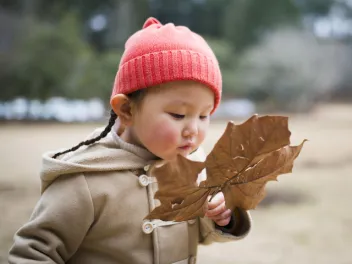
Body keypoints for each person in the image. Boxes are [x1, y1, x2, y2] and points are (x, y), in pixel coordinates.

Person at [8, 17, 251, 264]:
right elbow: (33, 253)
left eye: (203, 115)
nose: (193, 129)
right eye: (178, 115)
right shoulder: (85, 180)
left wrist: (221, 217)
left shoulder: (195, 172)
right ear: (126, 109)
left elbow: (202, 236)